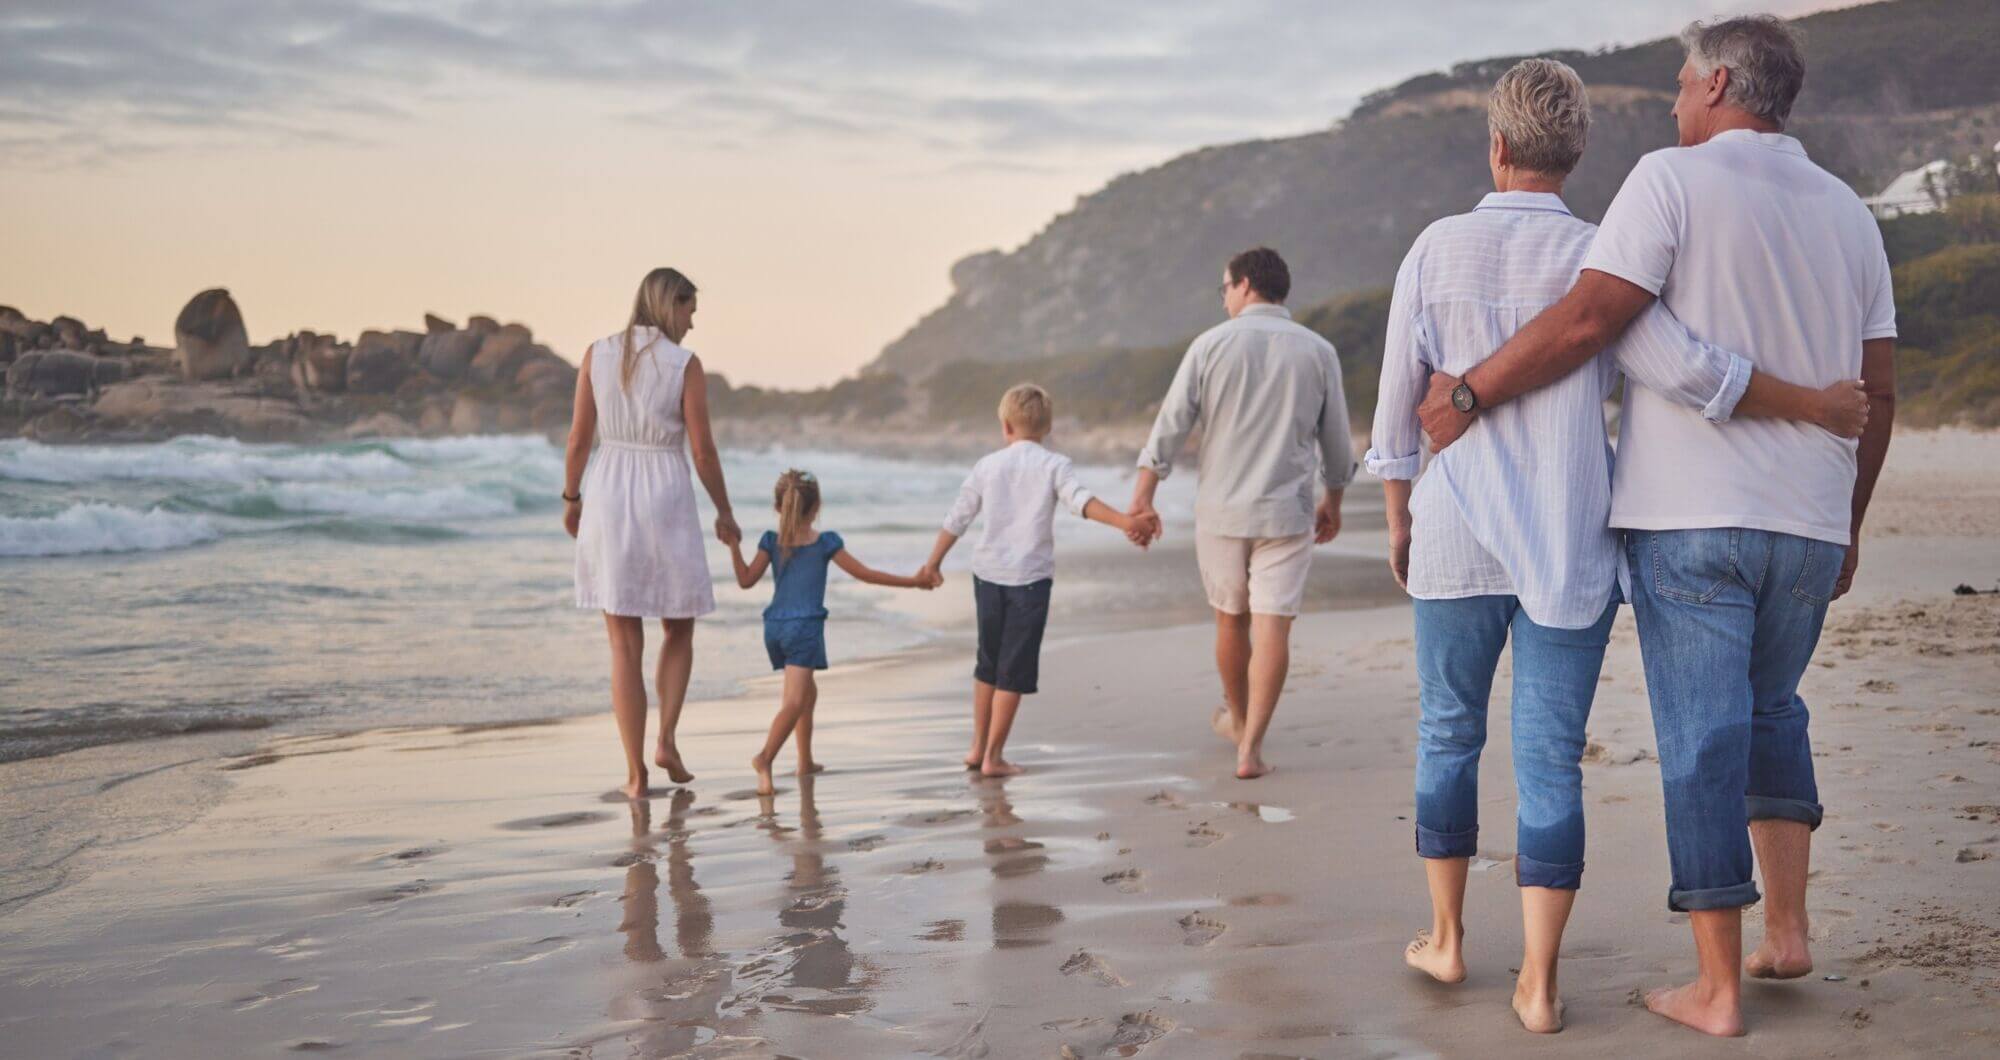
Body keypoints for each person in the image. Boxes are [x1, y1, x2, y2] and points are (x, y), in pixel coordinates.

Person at [1416, 17, 1897, 1038]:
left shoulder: (1668, 182)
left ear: (1717, 82)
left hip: (1692, 521)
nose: (1676, 103)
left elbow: (1597, 321)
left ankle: (1717, 989)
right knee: (1772, 709)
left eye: (1682, 84)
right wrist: (1845, 520)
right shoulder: (1850, 212)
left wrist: (1466, 393)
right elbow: (1880, 389)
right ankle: (1788, 932)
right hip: (1808, 519)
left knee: (1698, 741)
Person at [1129, 247, 1351, 779]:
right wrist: (1334, 500)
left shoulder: (1209, 346)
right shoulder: (1319, 351)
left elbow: (1170, 426)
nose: (1223, 297)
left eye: (1225, 287)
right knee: (1273, 627)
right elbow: (1337, 442)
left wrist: (1143, 497)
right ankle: (1250, 747)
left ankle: (1239, 719)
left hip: (1222, 510)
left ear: (1246, 284)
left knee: (1231, 619)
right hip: (1287, 510)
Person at [918, 384, 1155, 778]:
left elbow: (957, 518)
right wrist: (1126, 522)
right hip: (1029, 581)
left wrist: (932, 564)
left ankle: (977, 748)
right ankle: (994, 757)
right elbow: (1081, 502)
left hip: (988, 577)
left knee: (988, 662)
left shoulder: (987, 465)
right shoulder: (1055, 465)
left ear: (1005, 426)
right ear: (1047, 427)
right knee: (1014, 667)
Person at [567, 267, 742, 800]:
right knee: (678, 626)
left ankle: (636, 774)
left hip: (609, 490)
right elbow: (703, 451)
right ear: (672, 306)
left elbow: (578, 438)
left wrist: (571, 498)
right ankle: (665, 740)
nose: (692, 322)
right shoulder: (683, 364)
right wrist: (725, 512)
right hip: (664, 487)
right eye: (689, 309)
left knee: (623, 642)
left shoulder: (597, 353)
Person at [731, 469, 934, 796]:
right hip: (805, 628)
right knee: (795, 701)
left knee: (805, 694)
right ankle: (765, 757)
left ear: (778, 507)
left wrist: (732, 546)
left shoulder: (771, 542)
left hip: (774, 627)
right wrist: (914, 581)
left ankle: (805, 761)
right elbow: (866, 575)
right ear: (816, 507)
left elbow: (744, 579)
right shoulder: (825, 543)